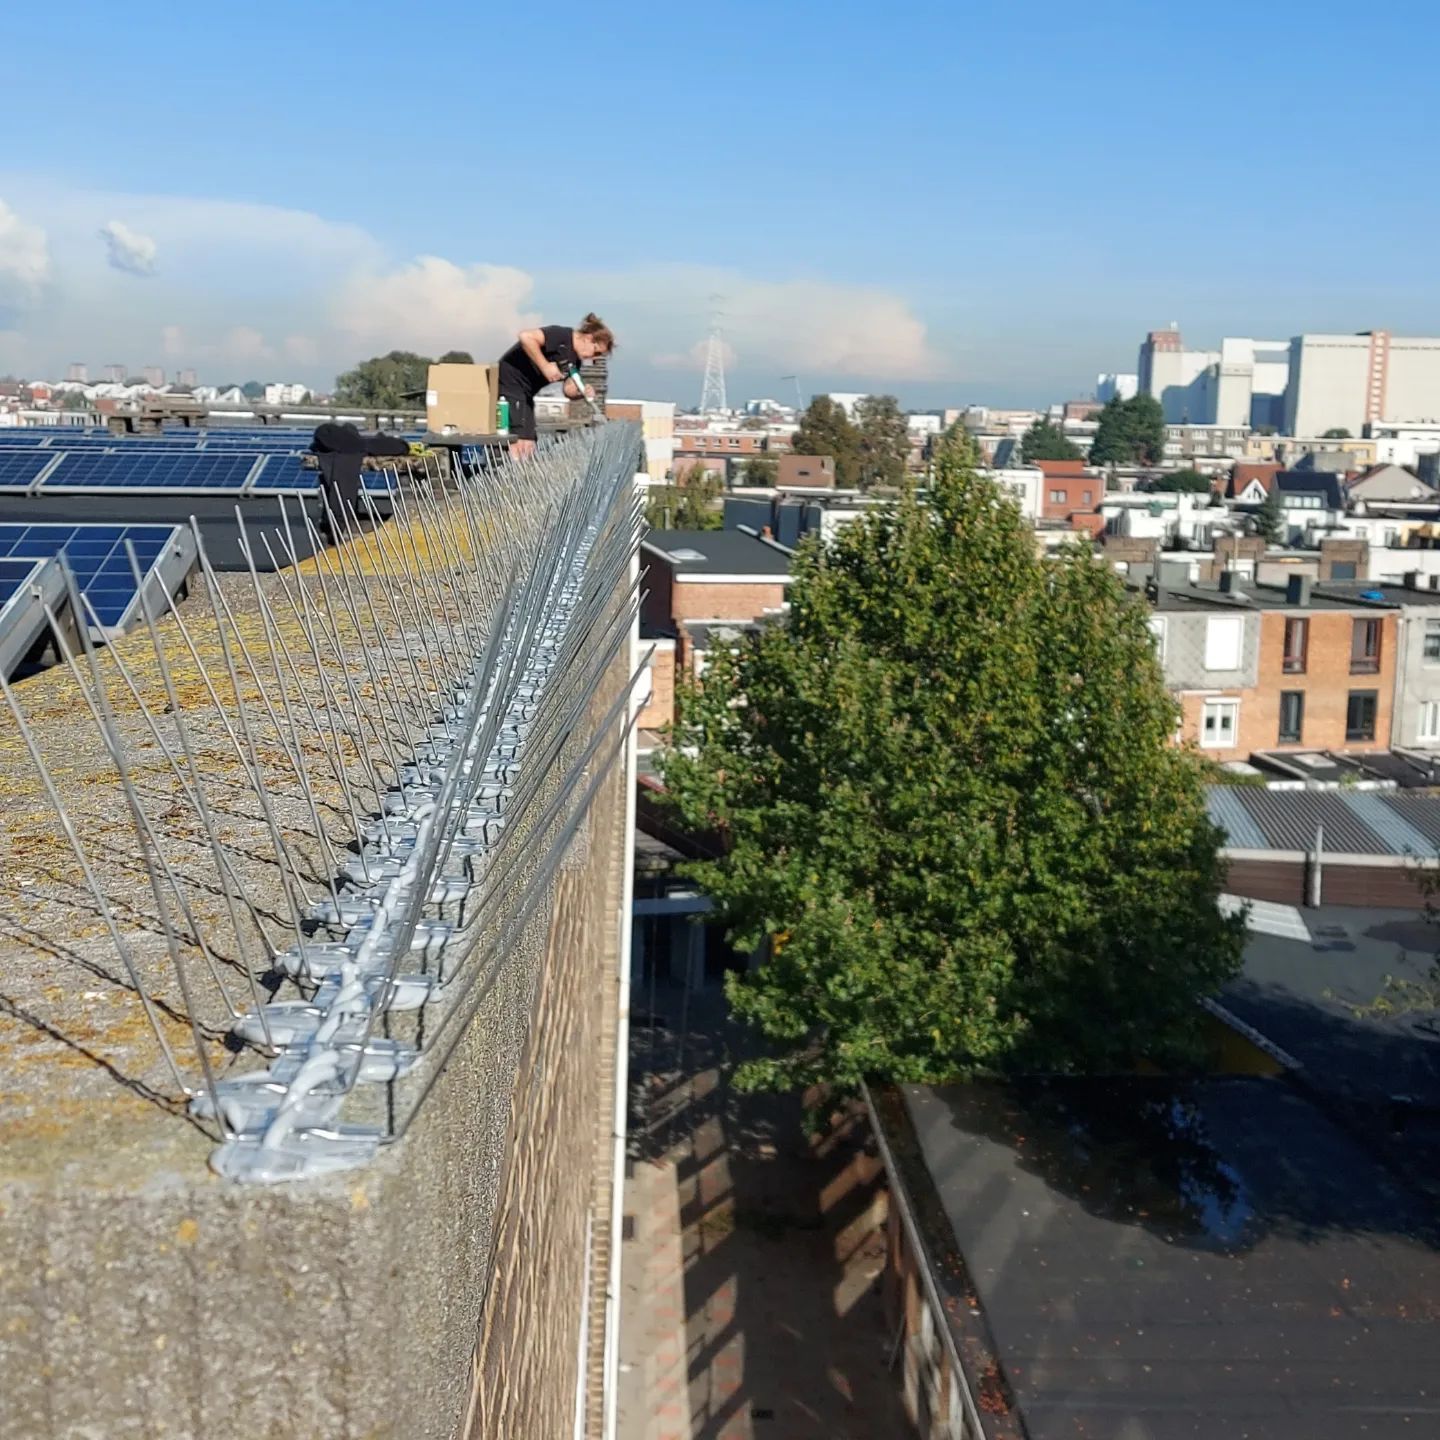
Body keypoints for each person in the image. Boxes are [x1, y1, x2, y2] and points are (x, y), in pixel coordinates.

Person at [497, 313, 615, 458]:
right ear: (589, 338)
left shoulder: (575, 361)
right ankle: (510, 470)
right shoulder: (561, 336)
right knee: (521, 438)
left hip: (527, 394)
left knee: (530, 438)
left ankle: (519, 469)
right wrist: (545, 365)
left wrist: (581, 392)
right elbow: (526, 337)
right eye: (596, 352)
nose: (593, 358)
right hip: (512, 381)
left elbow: (568, 389)